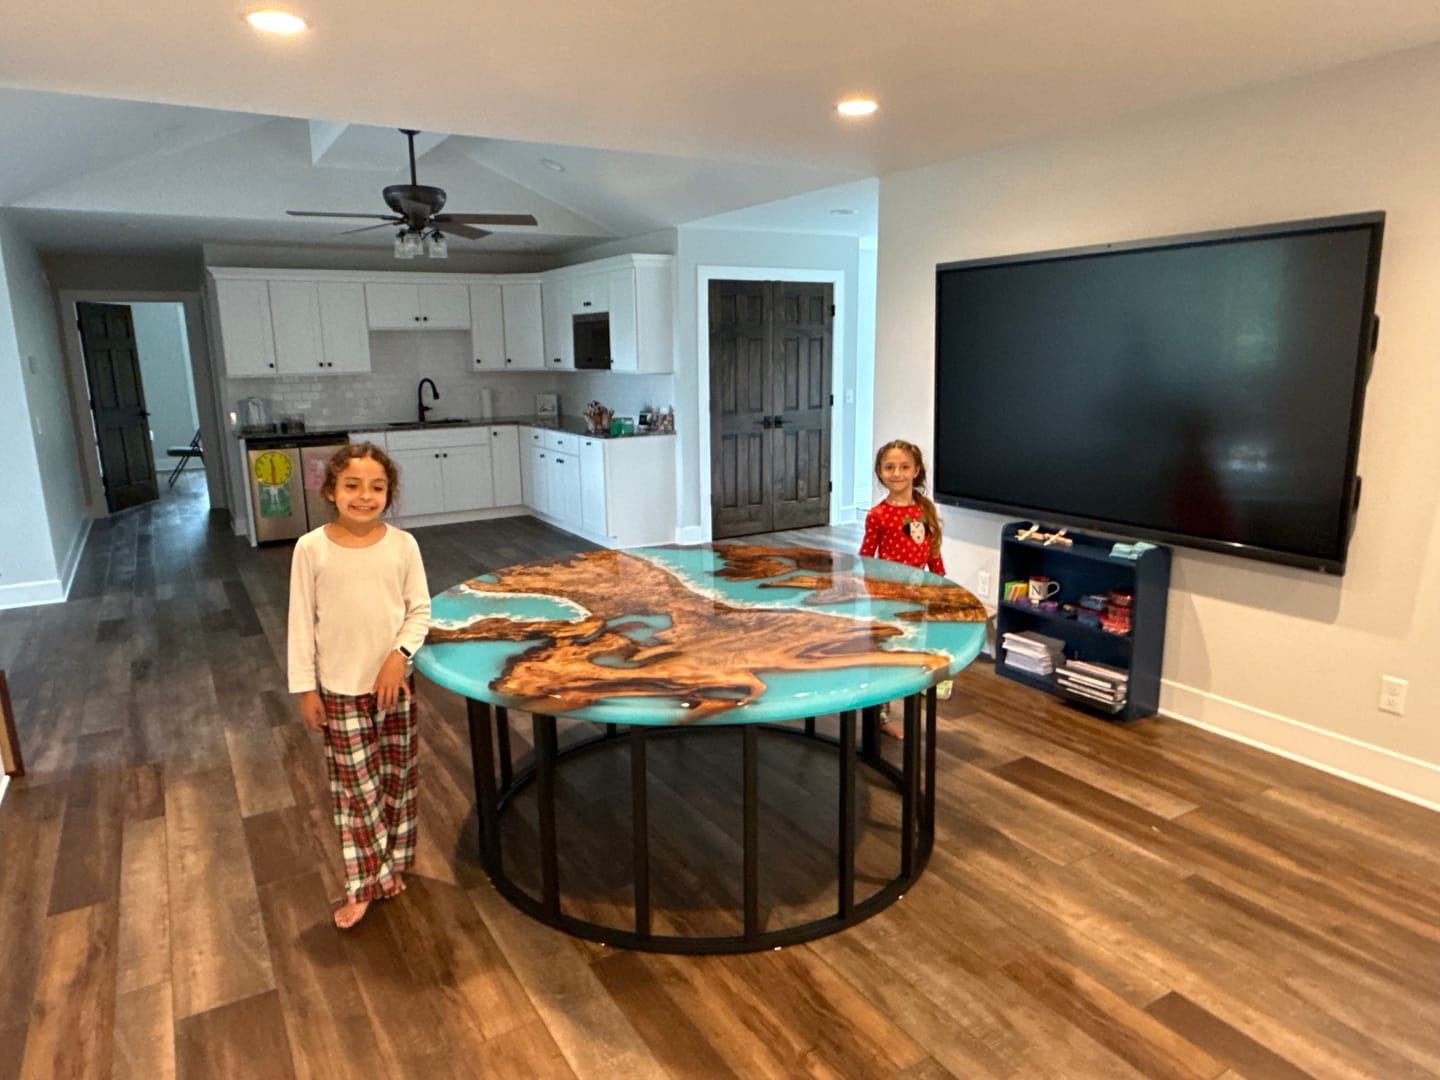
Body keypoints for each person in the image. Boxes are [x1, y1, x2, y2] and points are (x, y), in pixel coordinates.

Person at [287, 443, 431, 929]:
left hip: (395, 688)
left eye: (376, 487)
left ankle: (391, 866)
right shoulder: (311, 549)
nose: (365, 496)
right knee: (357, 792)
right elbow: (300, 624)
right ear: (331, 490)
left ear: (388, 494)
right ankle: (365, 882)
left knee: (396, 782)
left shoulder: (403, 546)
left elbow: (419, 610)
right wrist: (306, 688)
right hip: (339, 690)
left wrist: (398, 658)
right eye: (352, 485)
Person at [860, 439, 952, 729]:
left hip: (919, 595)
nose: (896, 473)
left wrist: (941, 586)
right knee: (884, 653)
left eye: (903, 467)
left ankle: (911, 703)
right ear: (880, 472)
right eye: (889, 467)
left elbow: (933, 552)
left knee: (913, 649)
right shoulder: (877, 515)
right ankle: (880, 716)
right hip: (886, 598)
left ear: (916, 470)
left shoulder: (925, 510)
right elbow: (867, 557)